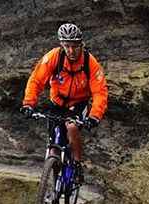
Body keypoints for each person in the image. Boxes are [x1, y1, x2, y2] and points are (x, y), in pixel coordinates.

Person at [21, 23, 108, 175]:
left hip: (79, 104)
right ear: (61, 45)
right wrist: (29, 104)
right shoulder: (54, 57)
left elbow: (100, 92)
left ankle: (77, 164)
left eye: (75, 46)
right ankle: (51, 181)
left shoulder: (90, 63)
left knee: (72, 127)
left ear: (81, 44)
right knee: (53, 143)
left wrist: (94, 116)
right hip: (58, 103)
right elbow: (36, 80)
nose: (71, 50)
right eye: (67, 46)